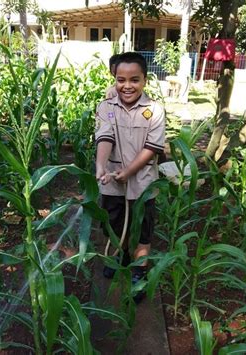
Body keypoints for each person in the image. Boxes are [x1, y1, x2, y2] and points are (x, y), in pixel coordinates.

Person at [95, 52, 166, 303]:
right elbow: (105, 136)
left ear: (145, 80)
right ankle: (119, 256)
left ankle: (139, 273)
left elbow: (152, 147)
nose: (127, 86)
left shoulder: (154, 110)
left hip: (143, 183)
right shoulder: (106, 107)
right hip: (113, 183)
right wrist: (100, 166)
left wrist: (129, 172)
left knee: (142, 231)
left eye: (134, 80)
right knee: (115, 226)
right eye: (121, 80)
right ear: (114, 79)